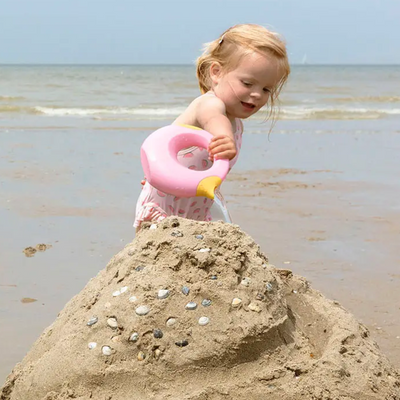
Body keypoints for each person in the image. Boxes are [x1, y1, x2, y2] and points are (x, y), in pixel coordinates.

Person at [134, 23, 290, 232]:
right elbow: (214, 119)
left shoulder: (237, 123)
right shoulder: (209, 104)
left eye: (266, 89)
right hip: (164, 207)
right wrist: (224, 138)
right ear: (216, 72)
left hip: (195, 207)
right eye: (247, 83)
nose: (257, 94)